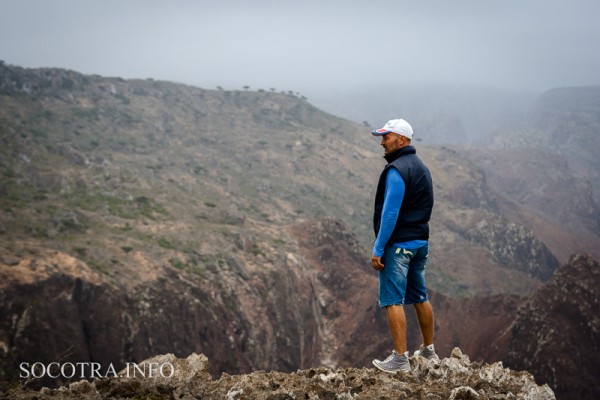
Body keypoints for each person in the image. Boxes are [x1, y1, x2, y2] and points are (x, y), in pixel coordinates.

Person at [369, 118, 439, 374]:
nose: (382, 142)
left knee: (392, 300)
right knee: (420, 296)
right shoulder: (421, 167)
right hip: (420, 243)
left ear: (402, 140)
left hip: (398, 246)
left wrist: (378, 249)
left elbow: (390, 214)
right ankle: (429, 351)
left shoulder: (397, 170)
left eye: (386, 137)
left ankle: (400, 360)